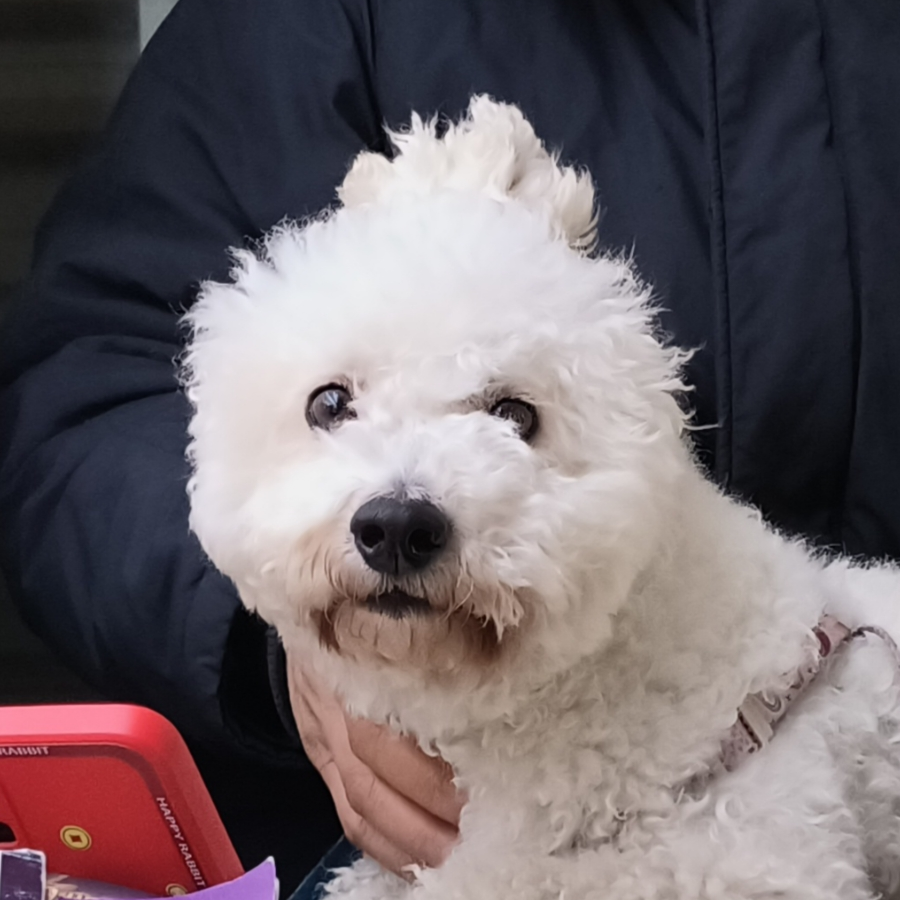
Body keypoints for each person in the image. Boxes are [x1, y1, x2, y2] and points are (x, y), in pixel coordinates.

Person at [1, 0, 898, 895]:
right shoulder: (297, 24)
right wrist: (275, 650)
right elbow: (84, 385)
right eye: (333, 406)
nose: (400, 502)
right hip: (338, 829)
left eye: (510, 417)